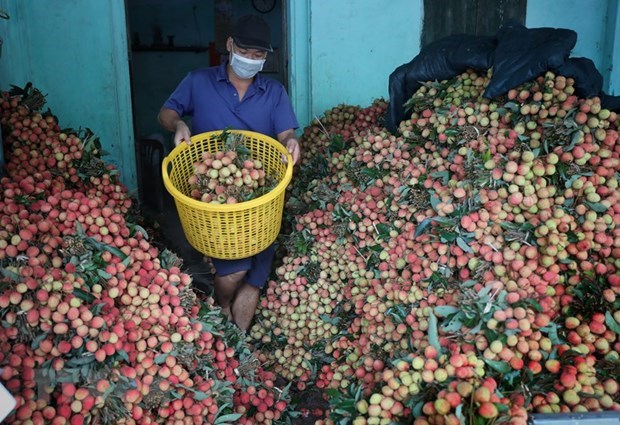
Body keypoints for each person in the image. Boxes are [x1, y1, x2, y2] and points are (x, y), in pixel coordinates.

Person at [158, 14, 300, 332]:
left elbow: (286, 135)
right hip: (216, 205)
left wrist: (291, 143)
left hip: (260, 199)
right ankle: (221, 305)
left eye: (258, 55)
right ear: (230, 45)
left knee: (254, 280)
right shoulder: (198, 80)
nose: (251, 59)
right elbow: (166, 112)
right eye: (246, 51)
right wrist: (179, 124)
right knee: (235, 271)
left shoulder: (274, 92)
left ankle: (240, 344)